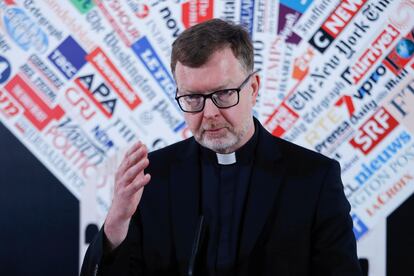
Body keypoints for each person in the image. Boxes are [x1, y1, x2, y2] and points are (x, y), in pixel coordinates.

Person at [81, 19, 362, 276]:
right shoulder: (151, 177)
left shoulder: (314, 178)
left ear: (253, 87)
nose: (210, 112)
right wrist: (114, 227)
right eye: (192, 98)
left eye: (224, 93)